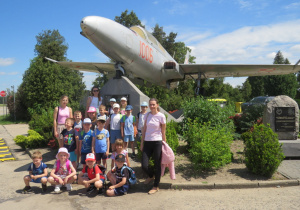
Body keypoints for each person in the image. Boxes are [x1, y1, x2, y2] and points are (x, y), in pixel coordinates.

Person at [141, 98, 166, 195]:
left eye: (153, 104)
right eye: (150, 104)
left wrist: (164, 144)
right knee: (144, 165)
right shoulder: (147, 115)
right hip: (147, 142)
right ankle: (151, 176)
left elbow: (163, 132)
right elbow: (144, 129)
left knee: (157, 164)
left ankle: (156, 186)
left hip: (157, 142)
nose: (152, 106)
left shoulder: (161, 116)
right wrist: (142, 142)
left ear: (157, 105)